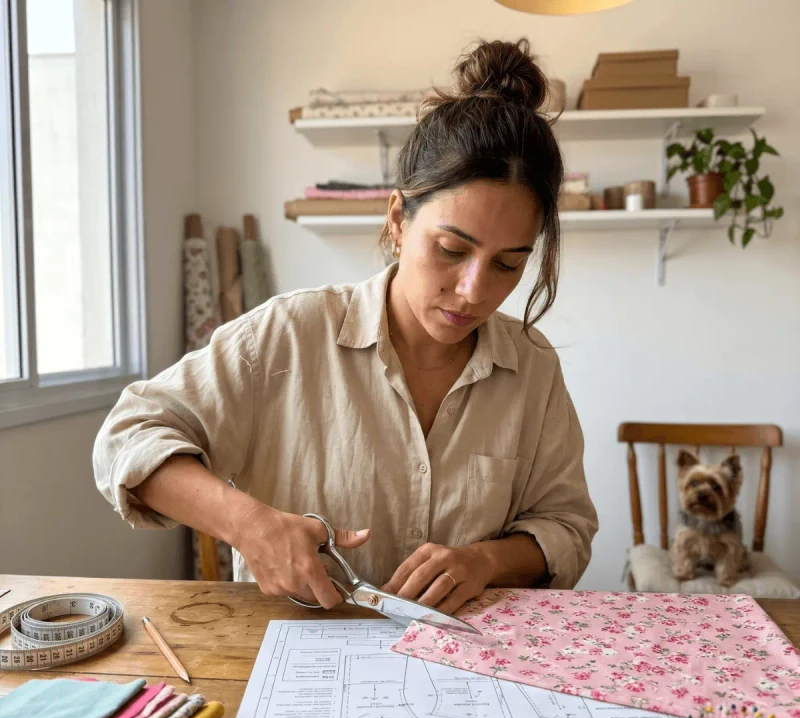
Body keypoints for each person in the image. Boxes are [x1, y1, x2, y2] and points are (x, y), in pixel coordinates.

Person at [93, 38, 598, 615]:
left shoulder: (531, 365)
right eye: (452, 250)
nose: (474, 291)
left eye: (508, 264)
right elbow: (126, 437)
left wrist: (484, 561)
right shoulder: (288, 335)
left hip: (463, 666)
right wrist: (249, 524)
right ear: (398, 221)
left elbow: (566, 525)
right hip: (290, 657)